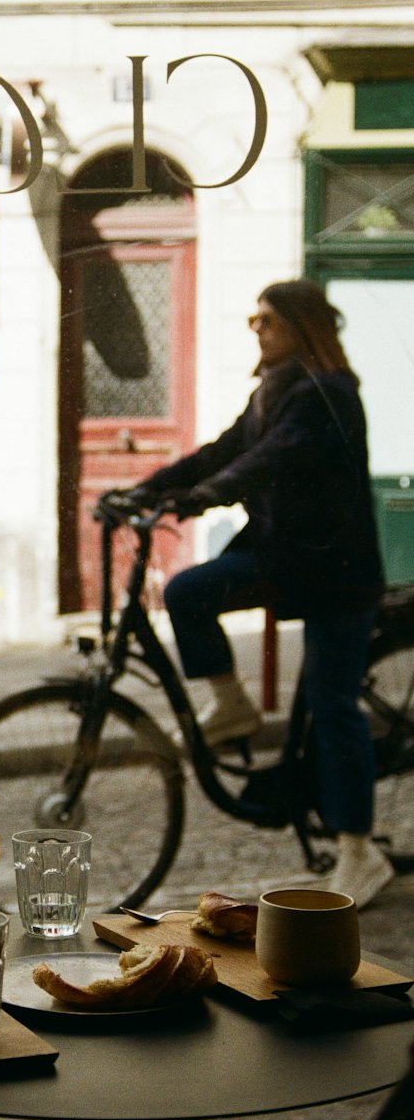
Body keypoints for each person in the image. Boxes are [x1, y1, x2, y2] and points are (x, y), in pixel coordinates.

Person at [126, 279, 389, 908]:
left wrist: (196, 500)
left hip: (335, 576)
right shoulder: (273, 392)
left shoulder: (328, 394)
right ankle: (233, 705)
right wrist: (150, 488)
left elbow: (268, 461)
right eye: (252, 319)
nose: (256, 328)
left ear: (302, 326)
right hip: (286, 554)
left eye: (266, 319)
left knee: (331, 705)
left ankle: (361, 851)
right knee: (188, 592)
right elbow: (224, 451)